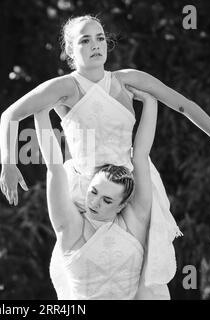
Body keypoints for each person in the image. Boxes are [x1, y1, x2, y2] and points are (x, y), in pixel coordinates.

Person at [0, 15, 210, 298]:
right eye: (85, 40)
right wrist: (8, 163)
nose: (95, 45)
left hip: (132, 181)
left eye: (100, 38)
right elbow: (10, 115)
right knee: (93, 273)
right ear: (70, 50)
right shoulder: (66, 87)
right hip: (89, 188)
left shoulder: (127, 80)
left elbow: (183, 105)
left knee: (143, 276)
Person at [33, 85, 158, 299]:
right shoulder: (72, 227)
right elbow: (54, 167)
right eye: (93, 192)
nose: (95, 203)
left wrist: (150, 103)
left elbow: (141, 156)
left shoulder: (135, 223)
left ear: (122, 205)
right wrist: (41, 111)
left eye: (107, 200)